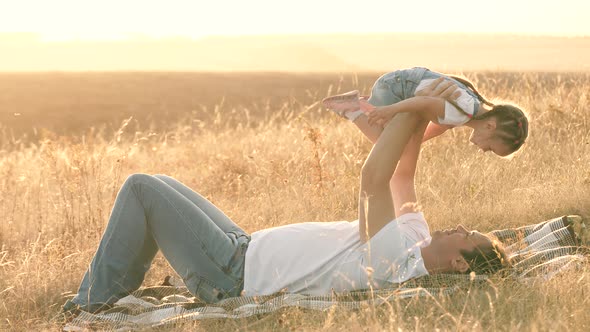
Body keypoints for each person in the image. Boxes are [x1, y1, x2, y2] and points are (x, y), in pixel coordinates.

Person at [61, 83, 510, 317]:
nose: (458, 228)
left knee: (142, 187)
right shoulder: (416, 234)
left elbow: (374, 179)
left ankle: (91, 303)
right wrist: (426, 103)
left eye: (466, 237)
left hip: (231, 275)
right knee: (158, 182)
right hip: (244, 245)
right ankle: (109, 288)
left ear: (459, 265)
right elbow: (403, 171)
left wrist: (412, 107)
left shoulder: (395, 263)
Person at [323, 67, 529, 157]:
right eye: (491, 148)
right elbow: (423, 102)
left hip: (398, 84)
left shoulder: (468, 109)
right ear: (490, 126)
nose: (484, 151)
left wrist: (409, 141)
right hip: (394, 88)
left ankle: (362, 104)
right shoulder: (461, 113)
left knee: (396, 144)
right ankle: (353, 107)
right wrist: (390, 110)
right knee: (384, 141)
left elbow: (434, 129)